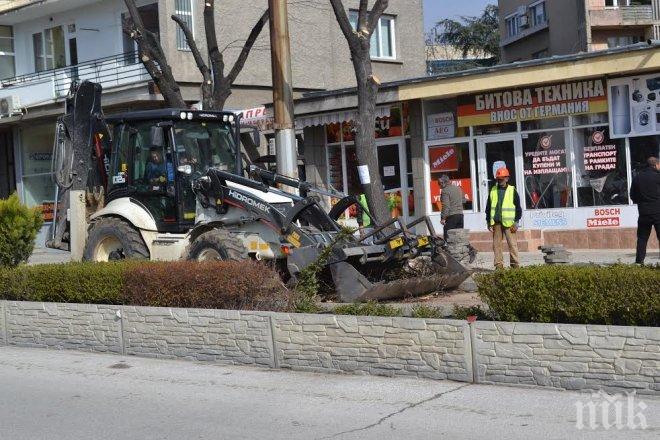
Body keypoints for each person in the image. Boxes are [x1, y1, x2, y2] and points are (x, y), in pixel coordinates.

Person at [485, 167, 523, 269]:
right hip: (496, 222)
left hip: (509, 223)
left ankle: (515, 265)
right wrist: (488, 221)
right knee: (497, 246)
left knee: (512, 245)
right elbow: (488, 208)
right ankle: (498, 265)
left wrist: (516, 222)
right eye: (498, 179)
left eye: (501, 179)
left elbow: (518, 207)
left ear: (507, 178)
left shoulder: (512, 190)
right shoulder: (493, 190)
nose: (499, 181)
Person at [630, 156, 660, 265]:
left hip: (644, 213)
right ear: (655, 165)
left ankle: (639, 262)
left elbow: (632, 195)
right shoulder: (658, 177)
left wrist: (642, 202)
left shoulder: (637, 177)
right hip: (658, 212)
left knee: (642, 238)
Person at [439, 174, 464, 241]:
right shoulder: (458, 188)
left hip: (451, 216)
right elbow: (464, 200)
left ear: (442, 182)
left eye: (439, 183)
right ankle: (459, 251)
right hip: (460, 215)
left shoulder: (445, 191)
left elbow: (446, 206)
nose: (439, 186)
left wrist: (443, 218)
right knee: (459, 238)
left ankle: (449, 251)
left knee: (448, 238)